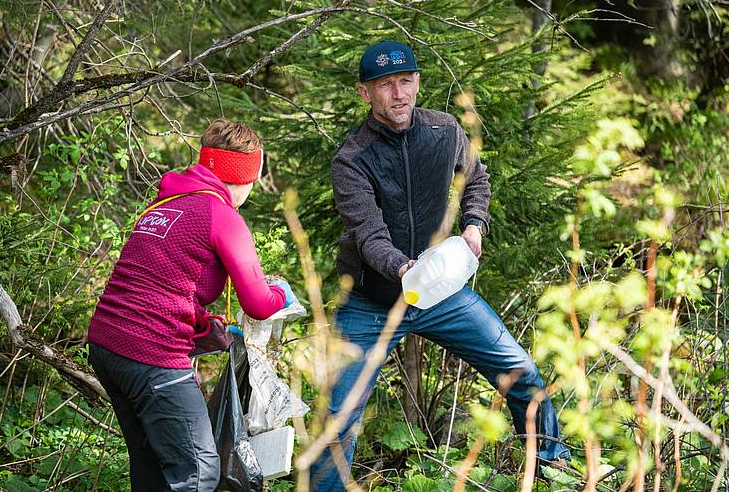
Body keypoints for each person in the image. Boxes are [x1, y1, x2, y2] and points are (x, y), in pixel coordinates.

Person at [309, 40, 570, 490]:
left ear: (418, 82)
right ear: (364, 93)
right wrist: (405, 268)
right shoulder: (352, 159)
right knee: (338, 417)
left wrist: (474, 226)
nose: (399, 94)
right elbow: (369, 235)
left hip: (440, 295)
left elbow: (477, 179)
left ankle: (552, 468)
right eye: (385, 85)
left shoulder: (444, 130)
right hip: (371, 302)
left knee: (521, 372)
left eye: (406, 81)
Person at [87, 118, 294, 491]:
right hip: (150, 354)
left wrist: (201, 324)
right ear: (246, 174)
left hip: (106, 345)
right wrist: (284, 294)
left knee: (152, 465)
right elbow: (260, 304)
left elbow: (159, 281)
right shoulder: (222, 215)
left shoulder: (165, 204)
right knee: (198, 470)